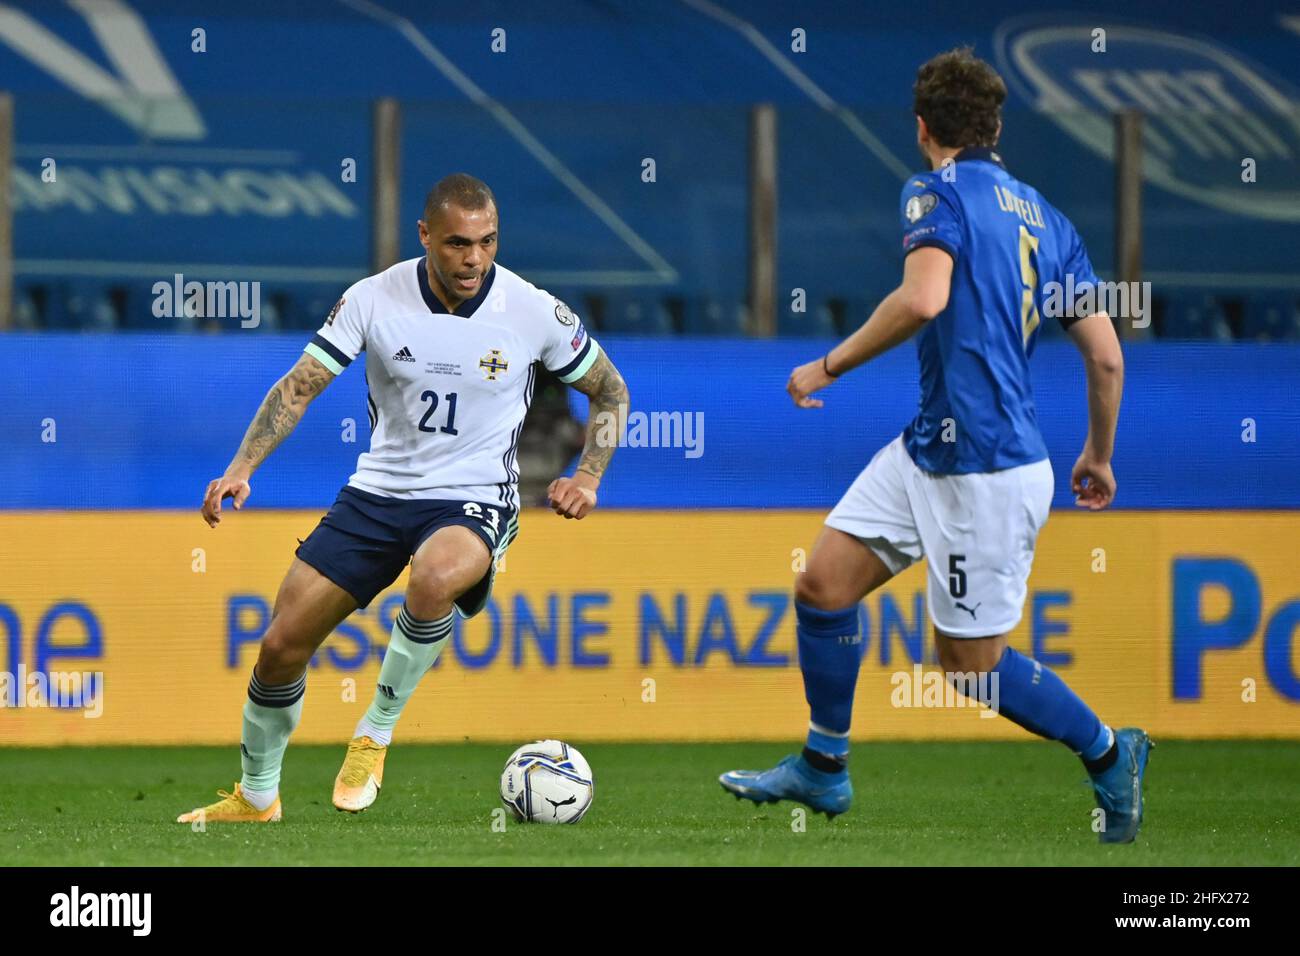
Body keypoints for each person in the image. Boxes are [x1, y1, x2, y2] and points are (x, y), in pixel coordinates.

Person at [719, 49, 1151, 843]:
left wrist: (827, 364)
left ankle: (1110, 750)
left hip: (984, 472)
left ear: (923, 128)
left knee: (968, 667)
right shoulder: (1047, 219)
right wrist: (1100, 452)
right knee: (821, 586)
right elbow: (1108, 354)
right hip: (931, 450)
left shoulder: (932, 190)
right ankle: (825, 765)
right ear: (994, 125)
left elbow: (924, 297)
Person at [178, 173, 628, 823]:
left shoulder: (532, 310)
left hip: (474, 498)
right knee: (280, 646)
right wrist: (241, 467)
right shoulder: (373, 298)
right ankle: (256, 797)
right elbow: (300, 386)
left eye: (487, 241)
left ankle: (374, 734)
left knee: (434, 575)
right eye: (457, 243)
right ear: (424, 236)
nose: (475, 258)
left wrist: (588, 475)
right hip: (377, 494)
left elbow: (611, 391)